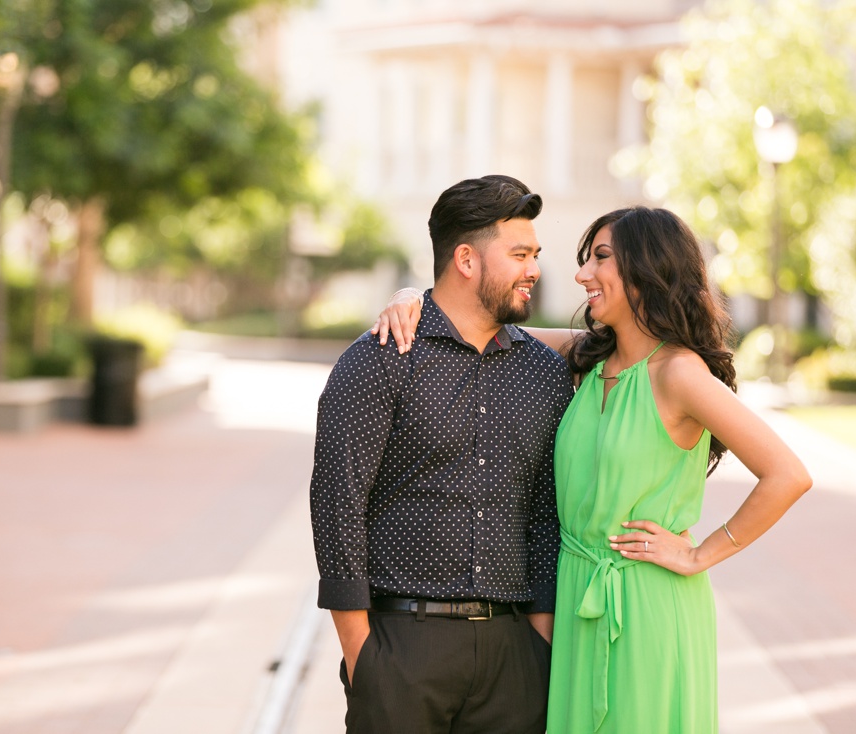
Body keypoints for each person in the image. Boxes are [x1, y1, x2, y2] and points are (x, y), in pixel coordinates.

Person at [374, 205, 812, 733]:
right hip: (576, 597)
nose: (582, 275)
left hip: (647, 603)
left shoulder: (680, 374)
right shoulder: (587, 359)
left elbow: (787, 474)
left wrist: (701, 553)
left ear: (647, 269)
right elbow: (477, 324)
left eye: (600, 258)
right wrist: (413, 301)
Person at [309, 174, 574, 733]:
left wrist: (538, 642)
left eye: (536, 254)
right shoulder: (381, 358)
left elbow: (546, 515)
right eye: (521, 254)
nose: (535, 270)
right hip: (401, 647)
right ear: (466, 260)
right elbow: (338, 501)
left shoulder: (545, 374)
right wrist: (364, 657)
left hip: (513, 655)